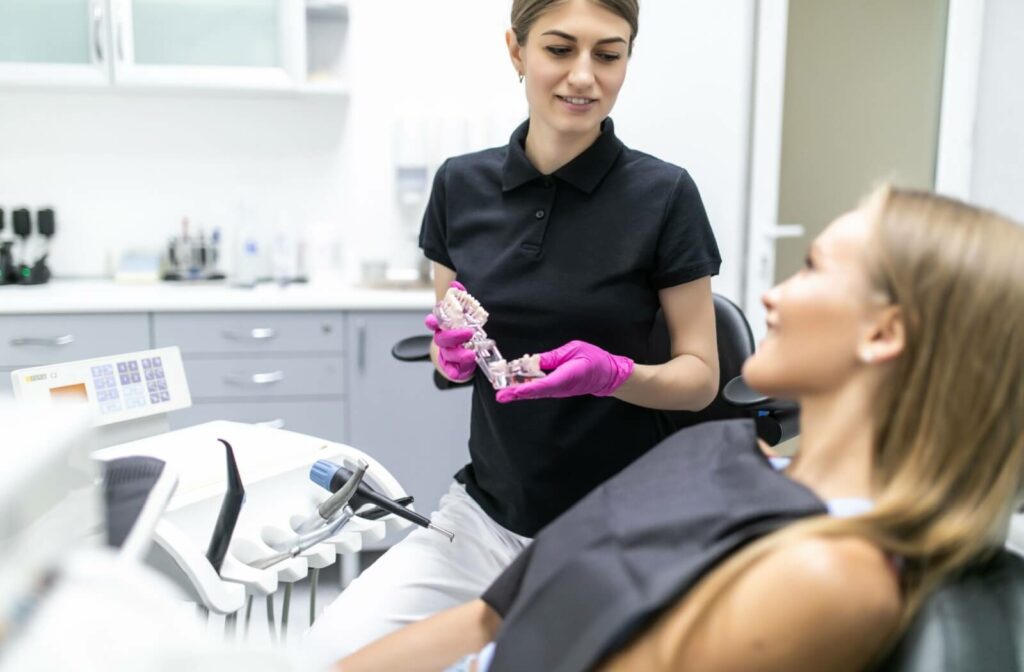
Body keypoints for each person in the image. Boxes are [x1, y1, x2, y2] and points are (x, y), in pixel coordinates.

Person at [336, 186, 1024, 671]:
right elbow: (497, 617)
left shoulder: (828, 571)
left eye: (813, 268)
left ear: (883, 333)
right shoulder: (711, 451)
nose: (770, 295)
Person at [305, 0, 722, 661]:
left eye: (608, 55)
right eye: (559, 49)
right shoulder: (460, 187)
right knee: (325, 654)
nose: (584, 76)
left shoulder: (664, 196)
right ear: (515, 51)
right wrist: (452, 359)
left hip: (613, 529)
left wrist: (616, 375)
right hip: (482, 520)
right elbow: (455, 357)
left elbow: (701, 380)